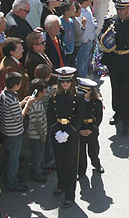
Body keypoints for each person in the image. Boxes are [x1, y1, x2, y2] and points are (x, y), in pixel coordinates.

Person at [98, 0, 129, 135]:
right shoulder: (110, 21)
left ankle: (127, 119)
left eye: (122, 9)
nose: (119, 11)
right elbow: (102, 36)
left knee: (127, 91)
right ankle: (117, 113)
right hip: (114, 59)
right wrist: (106, 37)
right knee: (116, 89)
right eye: (117, 8)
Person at [47, 67, 84, 208]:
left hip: (71, 133)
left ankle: (70, 193)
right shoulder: (54, 96)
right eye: (63, 82)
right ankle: (61, 184)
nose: (65, 84)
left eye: (68, 81)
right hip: (57, 131)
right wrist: (56, 131)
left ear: (72, 81)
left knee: (71, 163)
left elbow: (79, 118)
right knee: (59, 160)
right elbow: (50, 116)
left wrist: (68, 132)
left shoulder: (79, 96)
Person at [0, 71, 34, 191]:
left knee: (9, 156)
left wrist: (22, 102)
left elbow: (12, 109)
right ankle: (12, 183)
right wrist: (27, 105)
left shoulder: (4, 93)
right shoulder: (12, 100)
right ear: (16, 85)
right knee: (13, 159)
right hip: (14, 132)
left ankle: (9, 178)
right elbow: (20, 117)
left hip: (6, 130)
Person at [77, 78, 103, 177]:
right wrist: (80, 130)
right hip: (80, 129)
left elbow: (99, 118)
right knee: (81, 153)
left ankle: (97, 164)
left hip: (91, 129)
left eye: (86, 91)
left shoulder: (97, 102)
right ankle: (81, 171)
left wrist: (91, 129)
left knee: (93, 150)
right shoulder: (76, 102)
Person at [26, 78, 48, 182]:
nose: (46, 91)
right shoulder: (37, 105)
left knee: (38, 154)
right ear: (40, 92)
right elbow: (37, 123)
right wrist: (43, 136)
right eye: (44, 90)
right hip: (37, 135)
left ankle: (38, 169)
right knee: (37, 156)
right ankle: (37, 174)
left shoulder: (34, 101)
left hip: (35, 134)